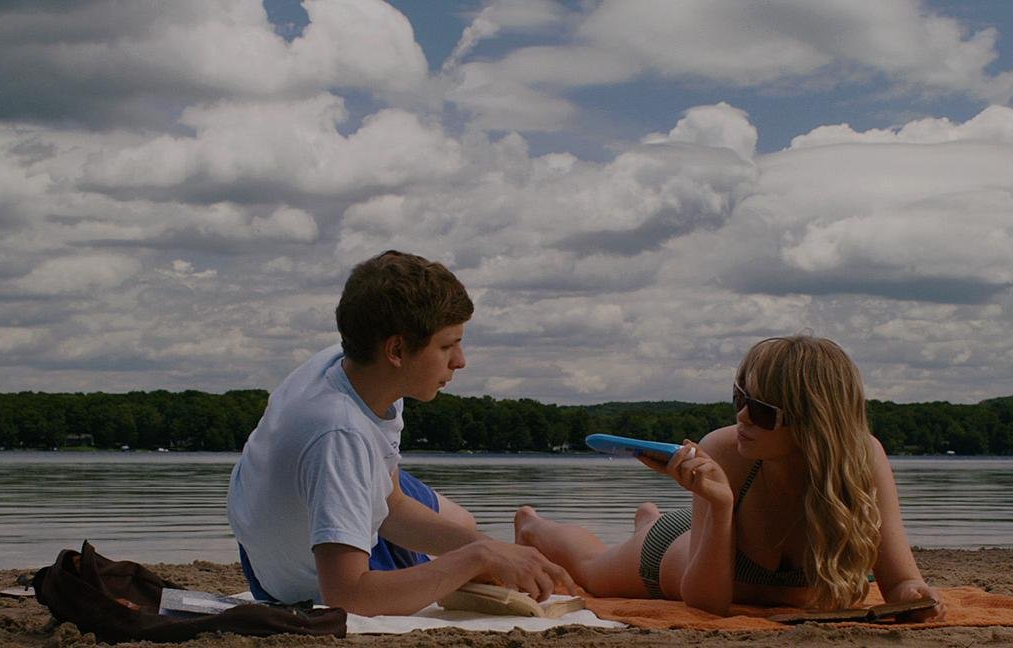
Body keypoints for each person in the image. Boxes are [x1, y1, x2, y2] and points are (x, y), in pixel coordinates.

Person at [227, 250, 572, 616]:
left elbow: (390, 503)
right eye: (447, 346)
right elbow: (347, 596)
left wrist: (493, 551)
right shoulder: (340, 435)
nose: (460, 361)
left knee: (463, 526)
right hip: (293, 581)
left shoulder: (363, 373)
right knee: (463, 557)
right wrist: (478, 556)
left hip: (266, 531)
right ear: (396, 350)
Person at [514, 335, 945, 619]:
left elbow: (901, 582)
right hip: (682, 553)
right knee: (592, 569)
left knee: (643, 531)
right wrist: (720, 506)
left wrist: (917, 598)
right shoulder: (726, 450)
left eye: (761, 410)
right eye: (740, 397)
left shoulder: (862, 460)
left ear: (814, 423)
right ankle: (532, 524)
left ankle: (648, 517)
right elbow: (705, 605)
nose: (742, 416)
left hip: (702, 534)